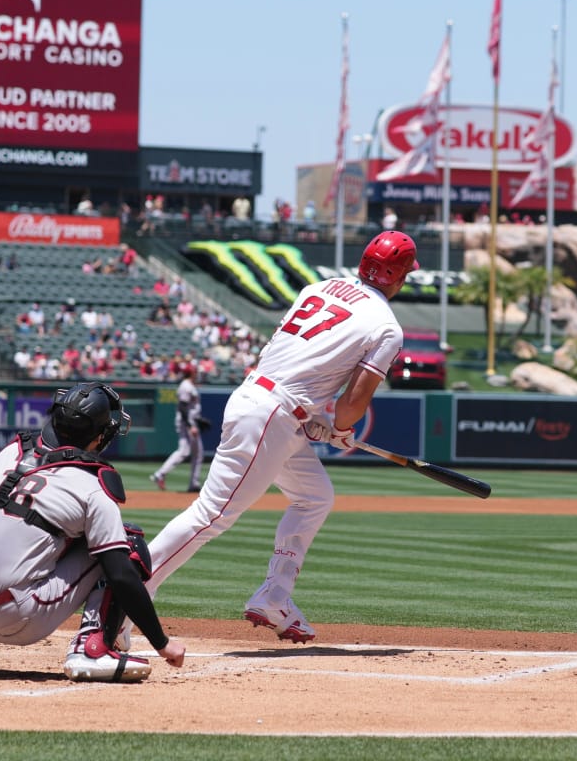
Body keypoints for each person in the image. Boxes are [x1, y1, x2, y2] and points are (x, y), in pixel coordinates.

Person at [139, 230, 416, 645]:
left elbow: (294, 358)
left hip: (268, 402)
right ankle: (129, 597)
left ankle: (275, 595)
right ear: (399, 275)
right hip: (273, 413)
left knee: (315, 497)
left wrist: (317, 415)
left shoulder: (319, 287)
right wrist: (340, 428)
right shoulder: (387, 326)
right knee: (211, 515)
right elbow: (353, 404)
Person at [0, 382, 186, 682]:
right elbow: (121, 575)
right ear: (100, 436)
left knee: (6, 527)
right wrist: (162, 644)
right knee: (127, 543)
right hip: (17, 618)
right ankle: (91, 647)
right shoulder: (91, 486)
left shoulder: (8, 453)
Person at [150, 374, 212, 494]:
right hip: (187, 424)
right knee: (185, 451)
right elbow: (182, 407)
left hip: (190, 422)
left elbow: (189, 409)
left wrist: (198, 420)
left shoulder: (189, 386)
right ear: (191, 373)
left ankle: (193, 483)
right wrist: (190, 425)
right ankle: (160, 474)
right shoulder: (186, 386)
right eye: (195, 372)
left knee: (197, 453)